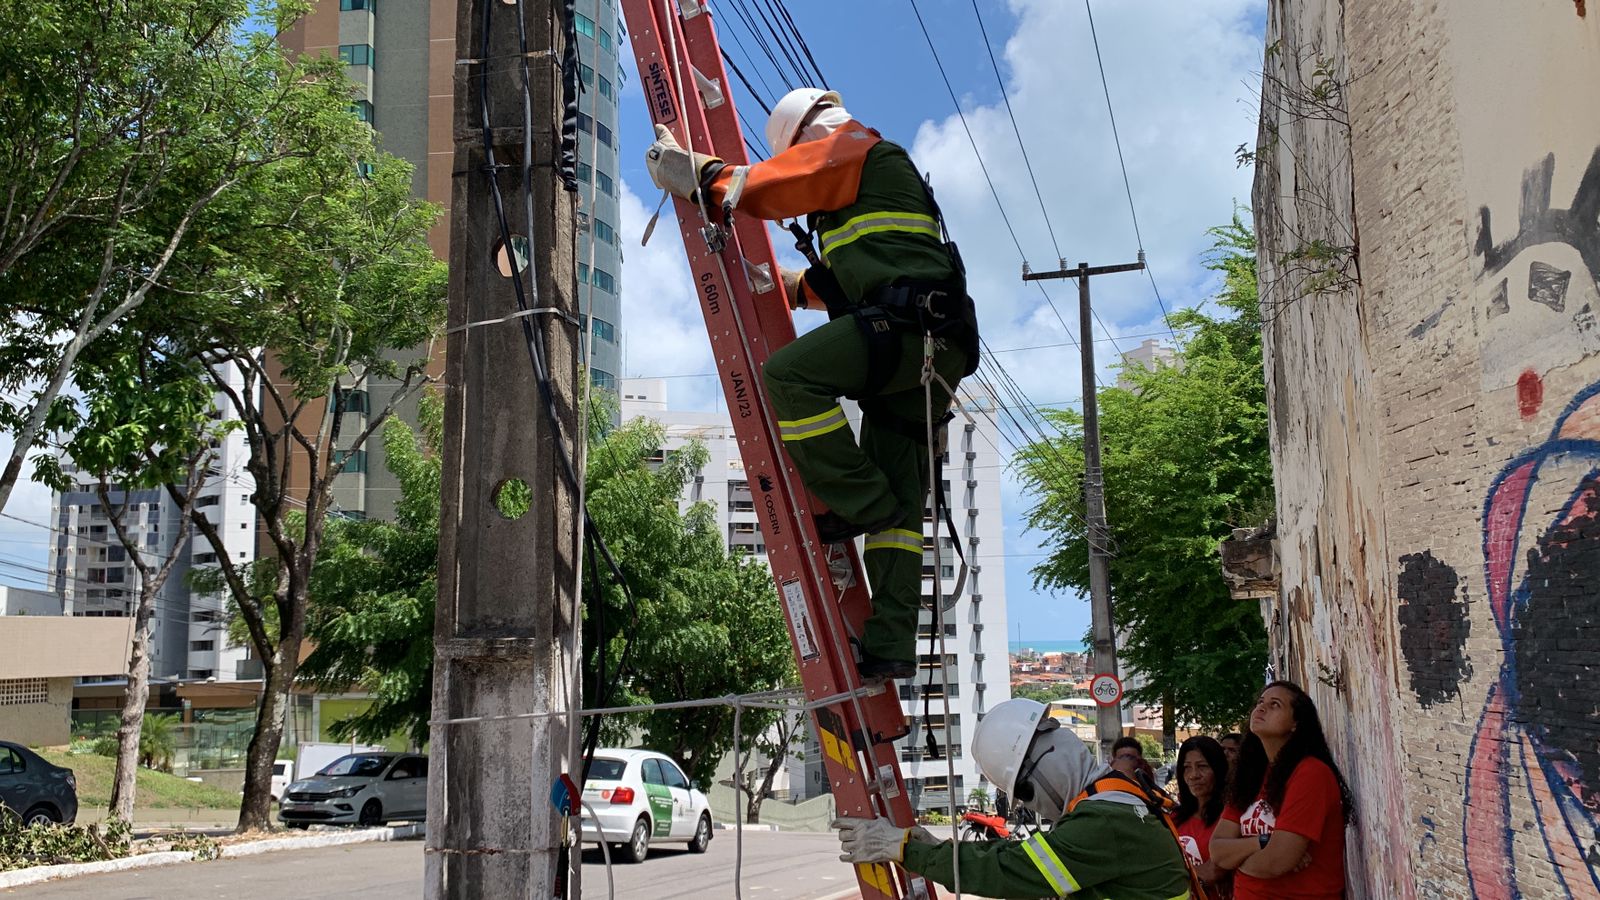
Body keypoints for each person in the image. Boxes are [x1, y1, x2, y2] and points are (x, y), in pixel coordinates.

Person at [645, 88, 979, 681]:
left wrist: (697, 175)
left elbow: (769, 188)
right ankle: (891, 642)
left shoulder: (858, 150)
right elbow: (867, 275)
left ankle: (861, 500)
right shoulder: (866, 190)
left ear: (806, 136)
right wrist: (788, 287)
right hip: (930, 339)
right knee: (903, 512)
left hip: (909, 333)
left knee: (790, 376)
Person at [830, 698, 1194, 898]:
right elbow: (1014, 855)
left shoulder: (1102, 823)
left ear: (1043, 765)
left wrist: (906, 849)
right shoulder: (1114, 796)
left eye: (1024, 793)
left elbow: (1009, 870)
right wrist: (933, 849)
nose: (1032, 806)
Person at [1210, 682, 1353, 899]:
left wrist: (1235, 861)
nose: (1261, 708)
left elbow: (1276, 861)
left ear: (1296, 723)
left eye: (1274, 704)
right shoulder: (1251, 776)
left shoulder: (1310, 774)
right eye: (1260, 702)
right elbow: (1217, 850)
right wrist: (1262, 842)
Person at [1174, 736, 1232, 899]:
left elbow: (1215, 870)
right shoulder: (1173, 818)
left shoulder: (1232, 817)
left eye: (1202, 766)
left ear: (1218, 769)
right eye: (1186, 767)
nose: (1193, 775)